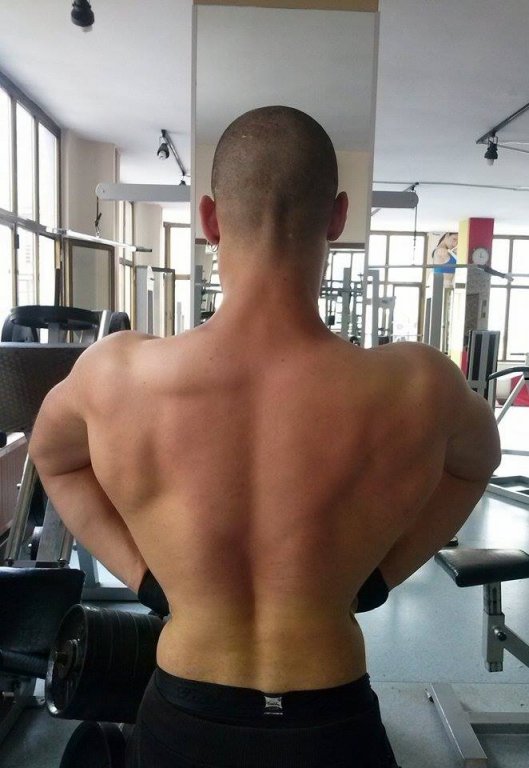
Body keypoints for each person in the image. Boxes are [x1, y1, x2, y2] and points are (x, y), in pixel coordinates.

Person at [29, 106, 501, 768]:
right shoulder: (420, 384)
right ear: (338, 218)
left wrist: (146, 580)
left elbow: (54, 461)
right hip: (332, 719)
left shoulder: (115, 373)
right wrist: (378, 579)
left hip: (184, 712)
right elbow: (476, 465)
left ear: (209, 219)